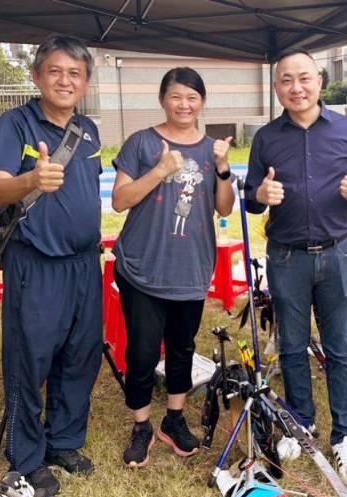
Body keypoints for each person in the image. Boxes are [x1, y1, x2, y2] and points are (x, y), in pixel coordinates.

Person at [244, 49, 347, 488]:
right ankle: (302, 422)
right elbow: (248, 197)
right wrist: (261, 193)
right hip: (286, 256)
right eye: (286, 80)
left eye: (303, 78)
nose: (296, 88)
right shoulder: (265, 137)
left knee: (339, 347)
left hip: (338, 253)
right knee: (293, 346)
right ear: (277, 86)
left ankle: (345, 436)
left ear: (319, 81)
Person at [0, 35, 102, 497]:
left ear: (86, 82)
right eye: (55, 71)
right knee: (29, 361)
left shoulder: (88, 130)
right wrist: (32, 179)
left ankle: (64, 442)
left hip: (84, 264)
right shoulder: (14, 124)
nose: (64, 80)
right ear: (36, 76)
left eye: (74, 73)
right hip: (35, 263)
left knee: (80, 355)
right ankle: (27, 457)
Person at [110, 67, 235, 468]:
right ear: (163, 98)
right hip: (143, 266)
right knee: (143, 351)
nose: (184, 104)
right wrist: (160, 171)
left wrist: (223, 168)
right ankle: (142, 424)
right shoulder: (142, 142)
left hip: (192, 268)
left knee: (183, 349)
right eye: (177, 96)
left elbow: (225, 208)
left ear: (203, 102)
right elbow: (119, 200)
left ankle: (174, 420)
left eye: (192, 97)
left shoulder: (213, 148)